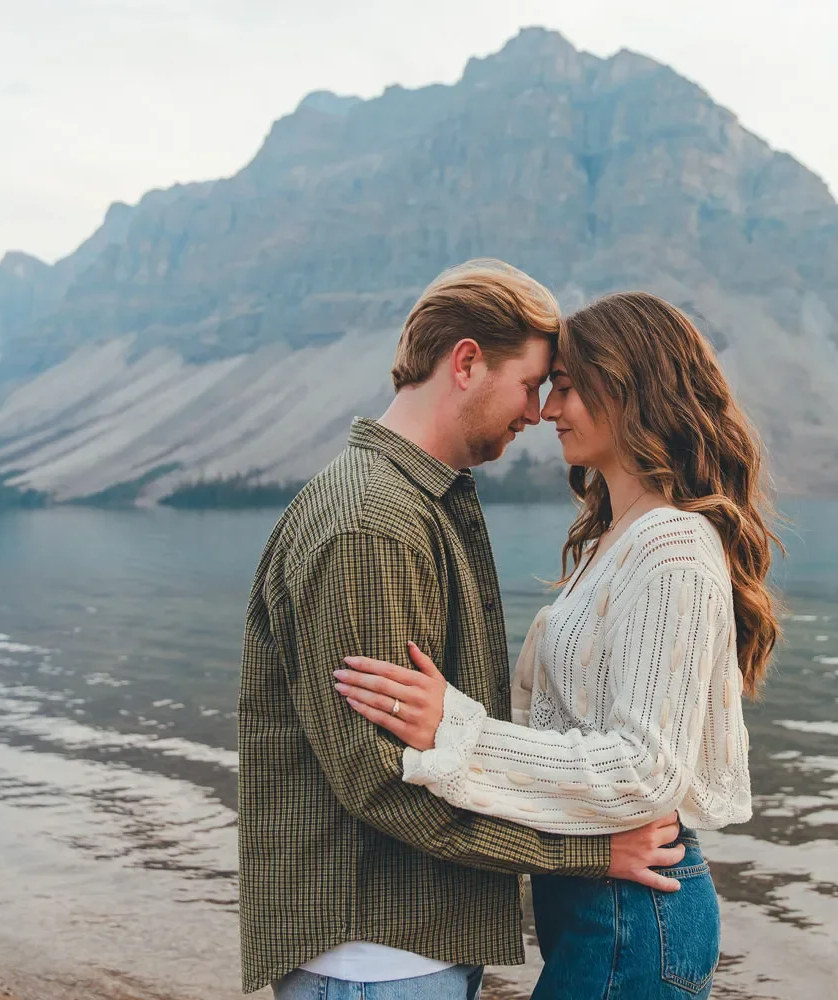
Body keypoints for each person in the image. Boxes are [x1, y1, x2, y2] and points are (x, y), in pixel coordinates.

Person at [237, 262, 688, 1000]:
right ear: (468, 362)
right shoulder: (371, 525)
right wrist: (587, 850)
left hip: (402, 948)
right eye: (532, 383)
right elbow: (383, 781)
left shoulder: (408, 503)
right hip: (377, 961)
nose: (540, 412)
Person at [336, 291, 781, 999]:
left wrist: (458, 731)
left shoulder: (672, 546)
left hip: (636, 914)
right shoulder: (618, 537)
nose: (546, 412)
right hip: (600, 903)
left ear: (627, 387)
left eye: (568, 388)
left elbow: (644, 771)